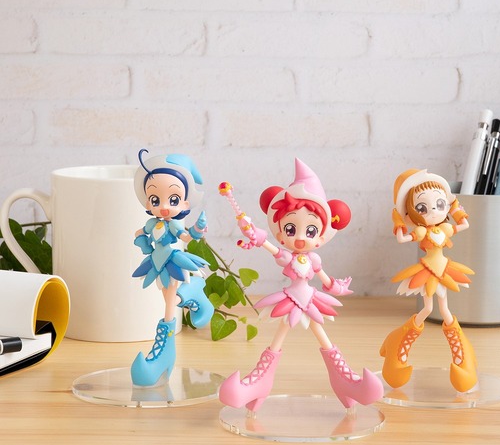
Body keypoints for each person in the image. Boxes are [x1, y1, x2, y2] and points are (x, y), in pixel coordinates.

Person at [218, 159, 383, 412]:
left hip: (311, 300)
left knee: (322, 337)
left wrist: (338, 287)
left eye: (311, 231)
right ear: (280, 231)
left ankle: (345, 379)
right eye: (290, 228)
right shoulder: (287, 257)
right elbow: (271, 248)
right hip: (291, 300)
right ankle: (259, 381)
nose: (299, 238)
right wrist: (256, 235)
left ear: (321, 236)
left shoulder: (313, 260)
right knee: (280, 336)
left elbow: (326, 280)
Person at [380, 169, 478, 393]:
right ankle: (399, 341)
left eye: (439, 204)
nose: (433, 211)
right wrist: (398, 219)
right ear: (411, 213)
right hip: (427, 271)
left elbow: (464, 224)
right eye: (422, 208)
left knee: (444, 310)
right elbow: (402, 238)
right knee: (427, 308)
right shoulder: (421, 233)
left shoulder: (444, 228)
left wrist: (455, 206)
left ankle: (462, 352)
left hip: (444, 269)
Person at [130, 149, 213, 386]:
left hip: (173, 261)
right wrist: (141, 239)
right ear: (148, 201)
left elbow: (186, 237)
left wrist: (197, 230)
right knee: (167, 297)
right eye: (156, 200)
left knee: (169, 302)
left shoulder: (174, 225)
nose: (164, 207)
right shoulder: (151, 223)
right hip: (156, 262)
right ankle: (192, 292)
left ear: (184, 202)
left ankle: (165, 350)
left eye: (173, 199)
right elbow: (141, 235)